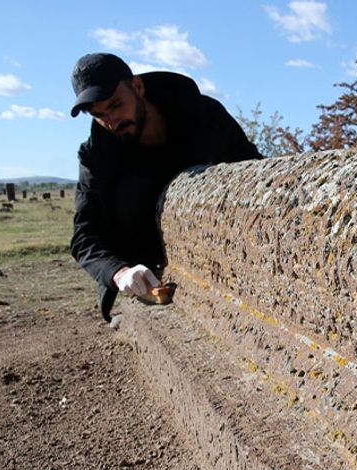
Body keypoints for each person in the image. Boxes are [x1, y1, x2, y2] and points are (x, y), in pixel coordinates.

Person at [69, 52, 261, 321]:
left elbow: (254, 172)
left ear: (137, 86)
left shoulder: (205, 116)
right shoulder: (97, 156)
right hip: (148, 278)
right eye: (99, 115)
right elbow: (84, 237)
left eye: (115, 105)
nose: (112, 122)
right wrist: (120, 272)